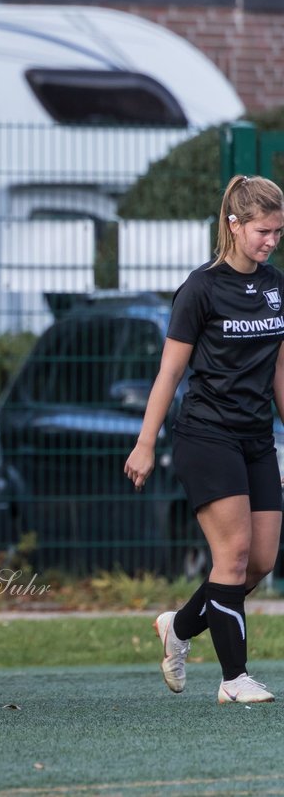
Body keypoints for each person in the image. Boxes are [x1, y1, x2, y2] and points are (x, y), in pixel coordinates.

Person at [126, 175, 284, 705]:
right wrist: (146, 442)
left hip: (256, 437)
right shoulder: (200, 288)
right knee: (232, 556)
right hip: (205, 434)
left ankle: (179, 626)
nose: (271, 241)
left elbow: (279, 367)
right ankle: (234, 678)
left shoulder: (276, 286)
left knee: (260, 562)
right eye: (263, 230)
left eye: (278, 232)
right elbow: (168, 375)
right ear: (233, 225)